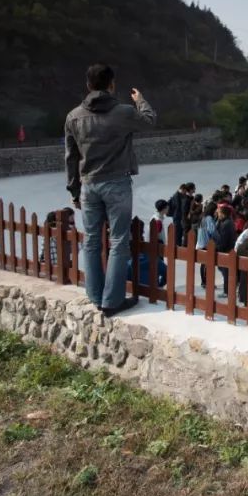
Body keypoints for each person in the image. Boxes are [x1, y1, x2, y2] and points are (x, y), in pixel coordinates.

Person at [66, 63, 156, 316]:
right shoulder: (124, 112)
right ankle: (112, 301)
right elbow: (150, 122)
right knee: (118, 241)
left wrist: (74, 190)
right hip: (117, 182)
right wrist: (141, 101)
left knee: (92, 241)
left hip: (88, 184)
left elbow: (70, 157)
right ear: (112, 84)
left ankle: (95, 296)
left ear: (88, 85)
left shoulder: (73, 116)